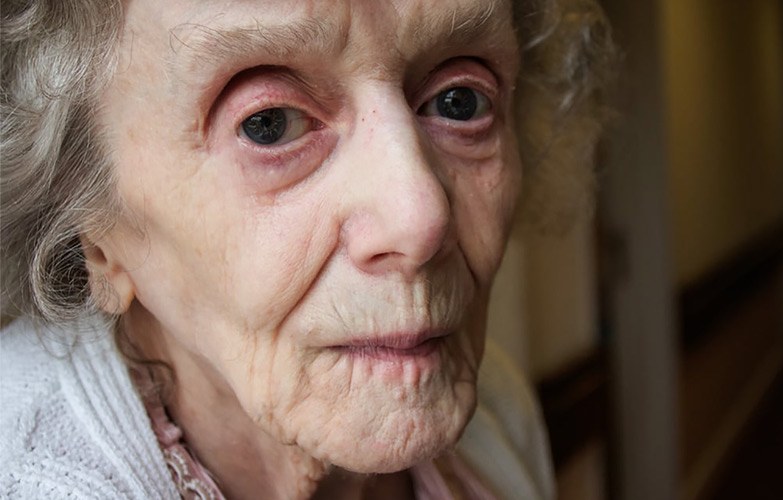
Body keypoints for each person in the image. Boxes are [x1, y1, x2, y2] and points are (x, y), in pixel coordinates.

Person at [0, 0, 614, 498]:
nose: (421, 217)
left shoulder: (500, 407)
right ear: (91, 219)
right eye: (267, 123)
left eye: (461, 101)